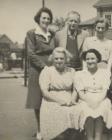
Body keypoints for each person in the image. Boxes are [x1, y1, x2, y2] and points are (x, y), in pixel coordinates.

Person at [25, 7, 56, 140]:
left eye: (48, 18)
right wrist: (44, 67)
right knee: (38, 100)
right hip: (37, 70)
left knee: (51, 98)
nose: (46, 20)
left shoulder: (52, 34)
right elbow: (30, 54)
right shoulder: (31, 33)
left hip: (52, 69)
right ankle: (40, 129)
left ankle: (51, 128)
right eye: (44, 18)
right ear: (38, 19)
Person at [72, 49, 112, 140]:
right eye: (87, 59)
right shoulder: (79, 74)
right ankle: (89, 138)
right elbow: (80, 93)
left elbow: (104, 91)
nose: (90, 61)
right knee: (86, 110)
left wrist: (97, 101)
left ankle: (98, 138)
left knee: (102, 109)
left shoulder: (105, 73)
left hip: (102, 98)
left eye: (92, 58)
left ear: (97, 60)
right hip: (85, 99)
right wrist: (90, 101)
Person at [39, 47, 76, 140]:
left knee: (77, 111)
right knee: (58, 112)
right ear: (52, 59)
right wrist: (60, 101)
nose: (59, 61)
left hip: (69, 99)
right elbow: (44, 92)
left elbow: (76, 89)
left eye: (61, 58)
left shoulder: (72, 71)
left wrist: (72, 99)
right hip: (51, 100)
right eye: (56, 58)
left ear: (66, 59)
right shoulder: (47, 71)